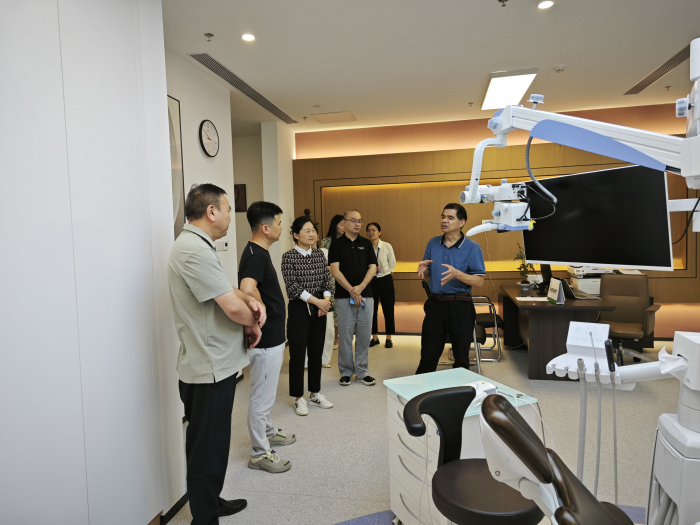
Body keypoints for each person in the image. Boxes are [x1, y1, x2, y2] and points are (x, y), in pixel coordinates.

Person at [167, 184, 264, 525]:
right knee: (206, 449)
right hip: (208, 368)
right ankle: (204, 518)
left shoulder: (199, 245)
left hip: (215, 364)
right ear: (211, 211)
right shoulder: (193, 250)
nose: (229, 216)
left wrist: (249, 299)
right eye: (227, 209)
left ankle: (210, 501)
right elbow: (232, 309)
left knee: (214, 444)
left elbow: (227, 291)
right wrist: (255, 318)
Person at [239, 201, 294, 474]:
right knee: (262, 397)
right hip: (266, 339)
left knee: (267, 392)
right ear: (265, 227)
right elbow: (247, 288)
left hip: (272, 336)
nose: (282, 228)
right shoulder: (255, 255)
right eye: (279, 223)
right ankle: (259, 453)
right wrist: (261, 310)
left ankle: (269, 432)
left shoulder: (258, 251)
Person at [415, 203, 485, 375]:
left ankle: (460, 388)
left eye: (450, 217)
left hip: (460, 306)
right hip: (435, 304)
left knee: (461, 357)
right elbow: (428, 271)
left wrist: (457, 274)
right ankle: (422, 387)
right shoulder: (433, 243)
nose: (444, 221)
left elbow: (479, 281)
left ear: (462, 222)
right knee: (428, 354)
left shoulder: (472, 248)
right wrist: (424, 270)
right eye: (443, 216)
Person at [282, 217, 335, 416]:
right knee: (297, 354)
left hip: (320, 309)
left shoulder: (320, 254)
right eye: (307, 231)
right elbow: (293, 287)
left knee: (316, 352)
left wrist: (325, 302)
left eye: (313, 230)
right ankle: (298, 398)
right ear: (296, 235)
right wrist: (317, 302)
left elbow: (326, 281)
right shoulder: (289, 257)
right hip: (299, 310)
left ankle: (315, 394)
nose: (312, 234)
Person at [328, 209, 378, 386]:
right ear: (344, 222)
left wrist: (360, 288)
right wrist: (352, 291)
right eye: (353, 220)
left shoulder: (366, 243)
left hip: (366, 296)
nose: (357, 224)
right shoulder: (336, 245)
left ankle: (362, 372)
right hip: (343, 297)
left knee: (364, 336)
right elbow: (335, 271)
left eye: (360, 221)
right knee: (345, 337)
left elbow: (373, 267)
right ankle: (346, 372)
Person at [366, 222, 397, 349]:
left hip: (385, 279)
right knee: (371, 310)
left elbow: (392, 262)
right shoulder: (366, 247)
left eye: (374, 230)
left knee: (388, 309)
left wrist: (388, 272)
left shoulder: (386, 246)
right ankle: (375, 337)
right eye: (368, 230)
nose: (371, 233)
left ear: (379, 232)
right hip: (371, 280)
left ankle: (389, 338)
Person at [319, 214, 346, 351]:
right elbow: (324, 263)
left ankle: (344, 337)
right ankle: (335, 338)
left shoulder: (347, 240)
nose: (344, 227)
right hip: (331, 279)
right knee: (334, 309)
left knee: (344, 308)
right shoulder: (326, 242)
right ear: (335, 226)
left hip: (346, 277)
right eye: (341, 224)